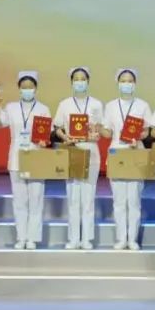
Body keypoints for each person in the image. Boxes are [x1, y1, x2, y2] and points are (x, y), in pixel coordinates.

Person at [0, 70, 51, 250]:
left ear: (36, 88)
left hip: (36, 157)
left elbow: (47, 135)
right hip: (16, 159)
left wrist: (44, 141)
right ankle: (21, 237)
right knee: (19, 201)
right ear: (19, 89)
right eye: (24, 87)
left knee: (36, 199)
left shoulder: (43, 109)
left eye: (31, 86)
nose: (27, 90)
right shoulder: (11, 107)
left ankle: (32, 238)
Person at [100, 67, 153, 250]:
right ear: (118, 83)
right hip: (117, 153)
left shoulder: (143, 105)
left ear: (135, 84)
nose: (127, 84)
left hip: (135, 152)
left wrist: (138, 136)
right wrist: (98, 129)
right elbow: (108, 132)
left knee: (134, 200)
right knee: (119, 201)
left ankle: (133, 239)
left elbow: (147, 131)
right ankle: (121, 238)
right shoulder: (111, 106)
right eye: (123, 81)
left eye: (130, 81)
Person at [52, 66, 104, 250]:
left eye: (83, 79)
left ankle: (87, 238)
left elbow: (100, 130)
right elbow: (57, 127)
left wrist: (95, 133)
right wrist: (65, 137)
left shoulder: (96, 104)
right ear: (71, 82)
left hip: (91, 152)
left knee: (88, 197)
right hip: (72, 151)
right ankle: (73, 238)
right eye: (76, 79)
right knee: (73, 197)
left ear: (88, 82)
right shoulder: (64, 104)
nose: (80, 82)